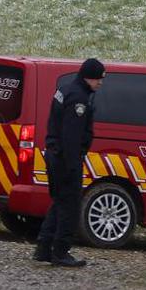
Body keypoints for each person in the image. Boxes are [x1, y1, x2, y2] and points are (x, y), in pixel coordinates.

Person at [36, 57, 105, 268]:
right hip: (66, 159)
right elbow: (71, 135)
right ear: (89, 77)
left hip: (55, 155)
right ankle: (60, 251)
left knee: (60, 202)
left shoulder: (66, 89)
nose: (101, 83)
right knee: (70, 206)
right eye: (99, 79)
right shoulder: (79, 98)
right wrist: (73, 164)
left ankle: (44, 248)